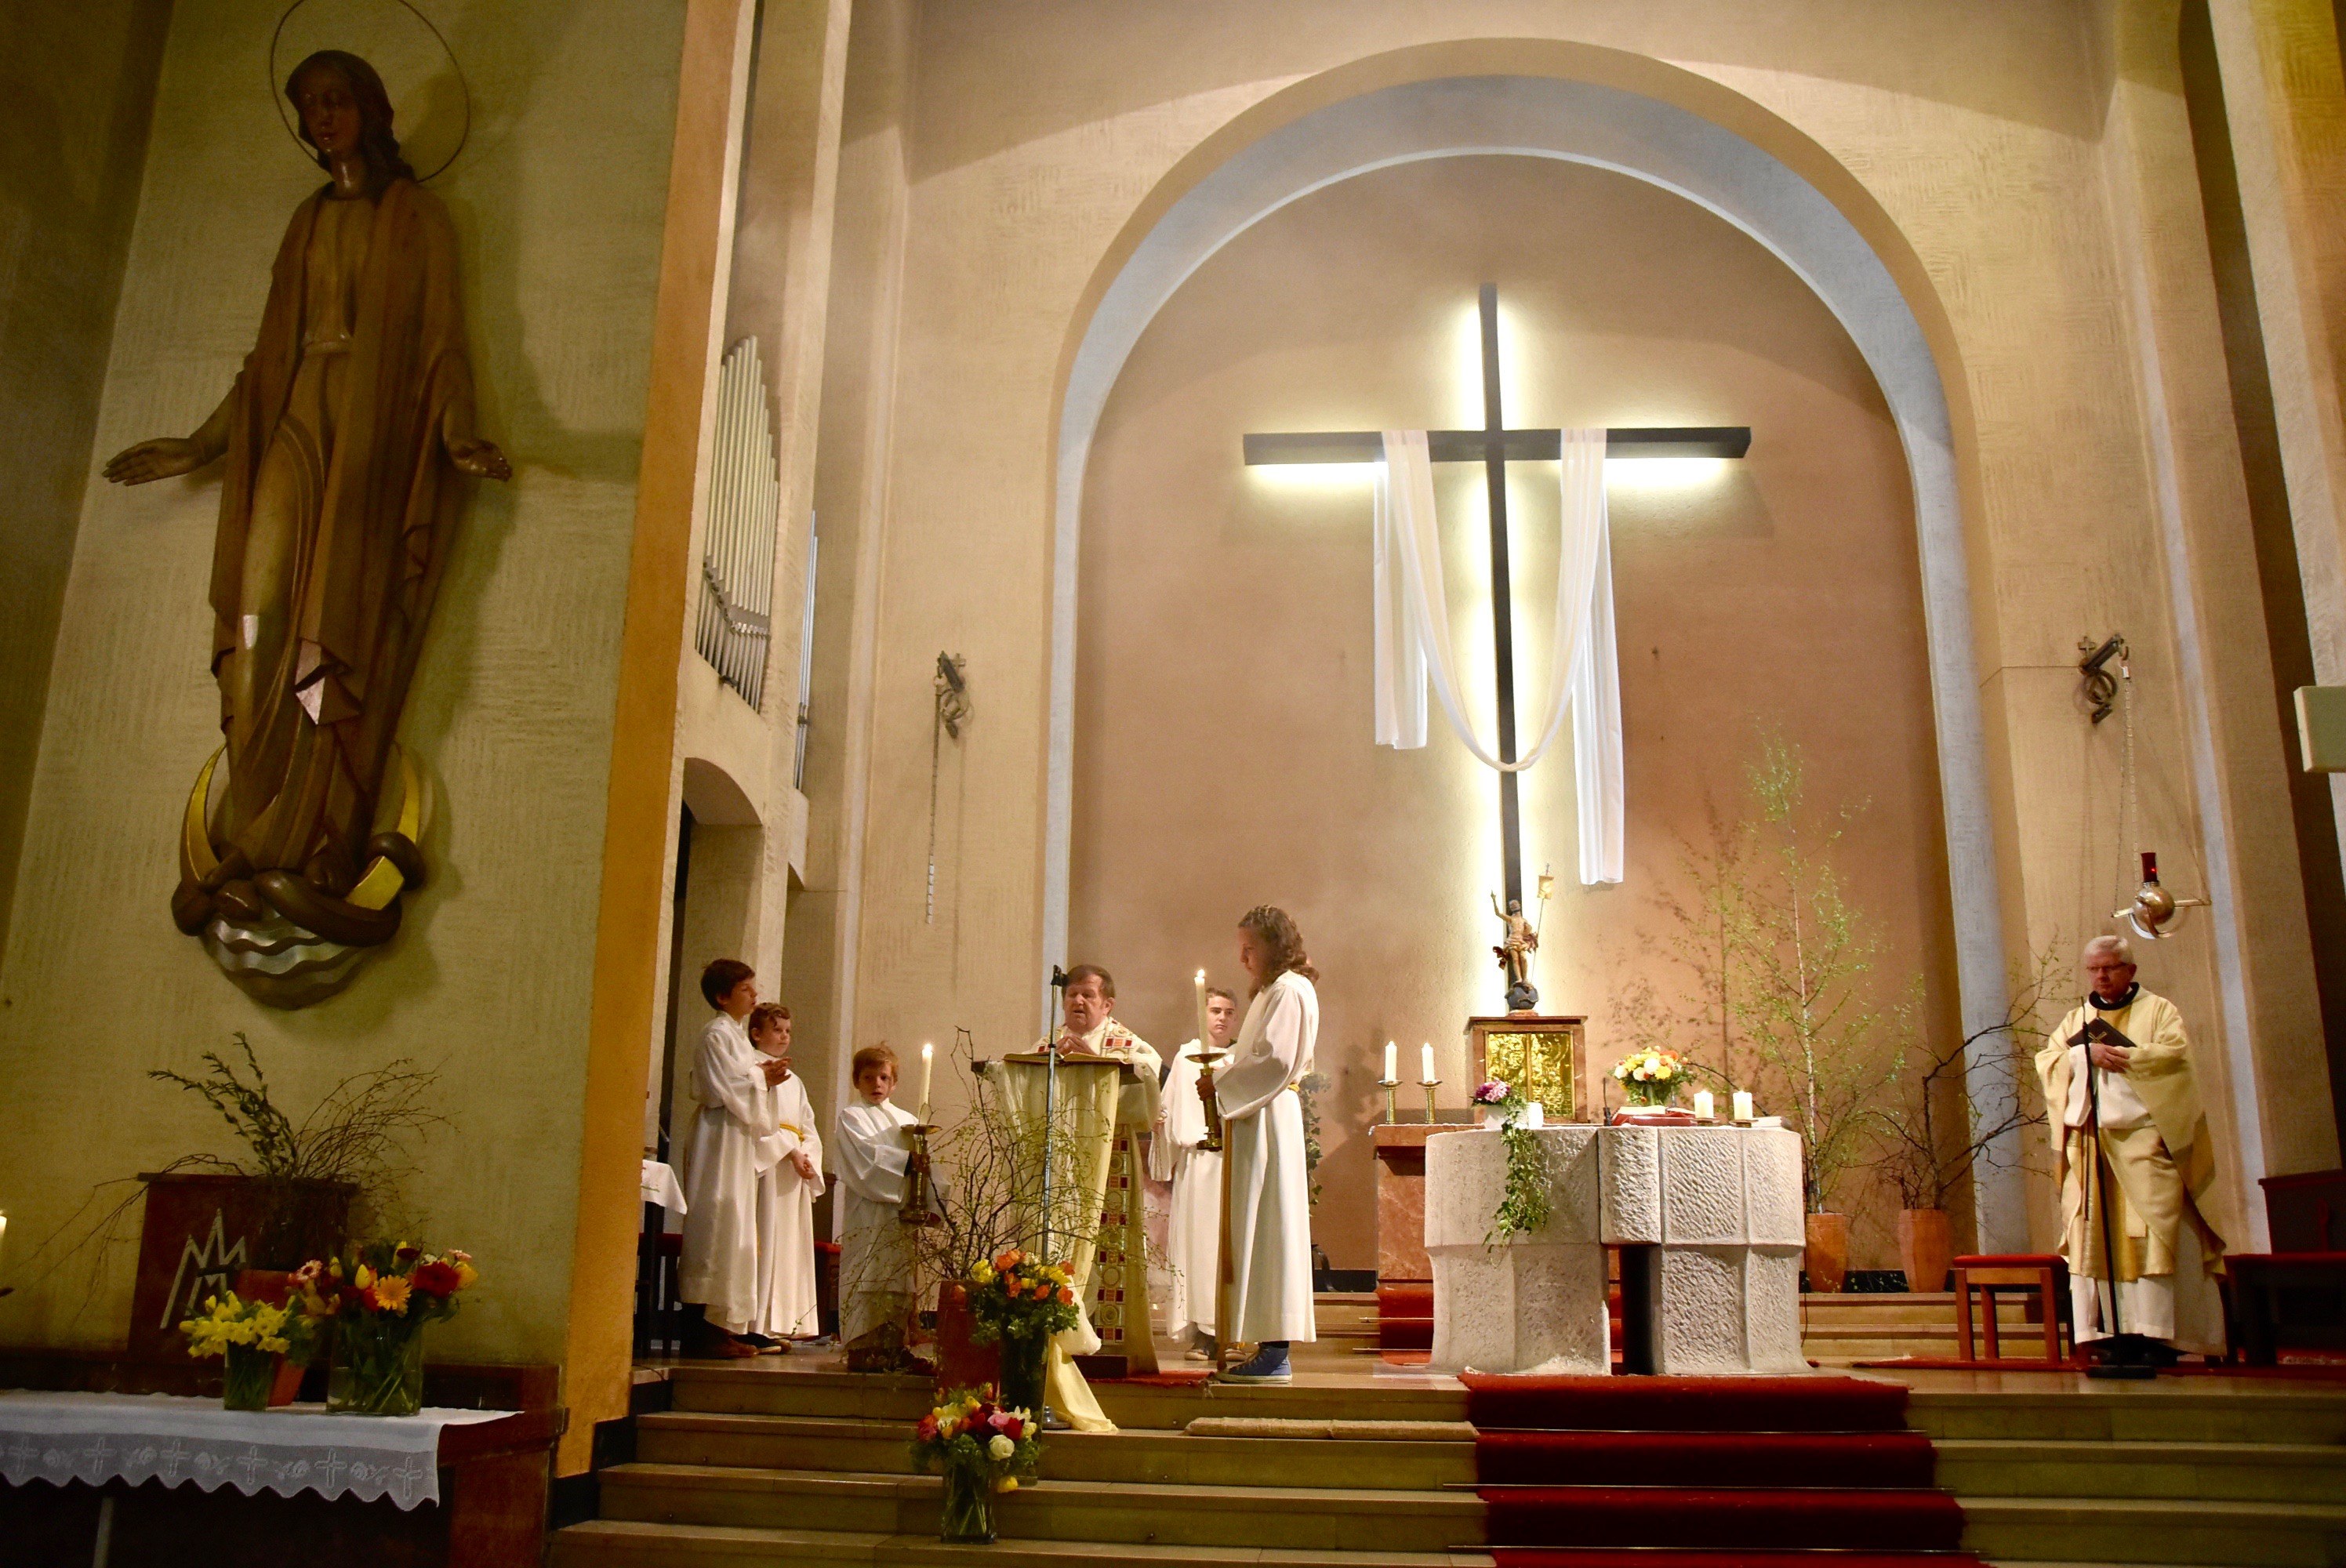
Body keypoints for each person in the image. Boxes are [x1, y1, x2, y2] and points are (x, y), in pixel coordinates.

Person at [108, 52, 510, 951]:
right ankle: (254, 837)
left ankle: (320, 842)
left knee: (333, 639)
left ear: (370, 109)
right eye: (309, 104)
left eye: (337, 99)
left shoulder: (416, 217)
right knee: (254, 628)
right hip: (292, 420)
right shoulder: (306, 220)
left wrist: (455, 436)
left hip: (370, 439)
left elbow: (441, 344)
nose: (323, 115)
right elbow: (264, 361)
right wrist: (200, 445)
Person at [2034, 935, 2229, 1362]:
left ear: (2131, 970)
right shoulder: (2076, 1019)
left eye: (2110, 967)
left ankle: (2159, 1336)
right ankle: (2109, 1334)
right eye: (2094, 969)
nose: (2101, 976)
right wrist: (2083, 1057)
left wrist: (2122, 1057)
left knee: (2156, 1234)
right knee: (2094, 1237)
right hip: (2092, 1149)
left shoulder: (2159, 1011)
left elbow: (2175, 1059)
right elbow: (2048, 1060)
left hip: (2145, 1143)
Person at [1214, 907, 1320, 1385]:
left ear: (1273, 946)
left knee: (1273, 1227)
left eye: (1249, 948)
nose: (1242, 958)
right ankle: (1266, 1345)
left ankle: (1277, 1352)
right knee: (1261, 1227)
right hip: (1261, 1114)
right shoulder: (1273, 991)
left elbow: (1274, 1061)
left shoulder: (1289, 991)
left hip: (1270, 1116)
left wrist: (1220, 1082)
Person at [677, 959, 792, 1358]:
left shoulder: (739, 1038)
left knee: (735, 1228)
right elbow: (721, 1087)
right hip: (718, 1138)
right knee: (715, 1226)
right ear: (723, 996)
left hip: (737, 1138)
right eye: (746, 988)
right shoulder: (715, 1035)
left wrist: (766, 1078)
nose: (755, 994)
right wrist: (763, 1078)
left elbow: (747, 1083)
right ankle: (699, 1331)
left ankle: (725, 1324)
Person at [1152, 985, 1238, 1360]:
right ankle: (1203, 1333)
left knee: (1228, 1249)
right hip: (1197, 1164)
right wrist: (1161, 1131)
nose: (1222, 1018)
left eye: (1229, 1012)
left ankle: (1232, 1332)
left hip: (1232, 1165)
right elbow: (1167, 1111)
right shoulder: (1186, 1058)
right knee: (1198, 1250)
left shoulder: (1241, 1059)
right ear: (1203, 1014)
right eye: (1215, 1010)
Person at [834, 1043, 924, 1370]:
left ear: (894, 1083)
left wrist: (930, 1195)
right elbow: (863, 1161)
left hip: (898, 1215)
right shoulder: (852, 1117)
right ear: (856, 1081)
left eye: (884, 1078)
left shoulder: (908, 1120)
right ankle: (863, 1348)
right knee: (866, 1272)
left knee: (896, 1276)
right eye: (869, 1077)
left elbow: (924, 1167)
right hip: (866, 1212)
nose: (877, 1084)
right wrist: (906, 1162)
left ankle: (893, 1346)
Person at [746, 1002, 824, 1345]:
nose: (784, 1037)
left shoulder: (795, 1081)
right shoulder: (753, 1071)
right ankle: (756, 1323)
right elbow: (757, 1124)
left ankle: (781, 1324)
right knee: (765, 1242)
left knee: (788, 1249)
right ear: (756, 1034)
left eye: (788, 1031)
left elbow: (808, 1126)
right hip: (769, 1169)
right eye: (776, 1030)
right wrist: (791, 1151)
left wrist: (807, 1157)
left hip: (792, 1173)